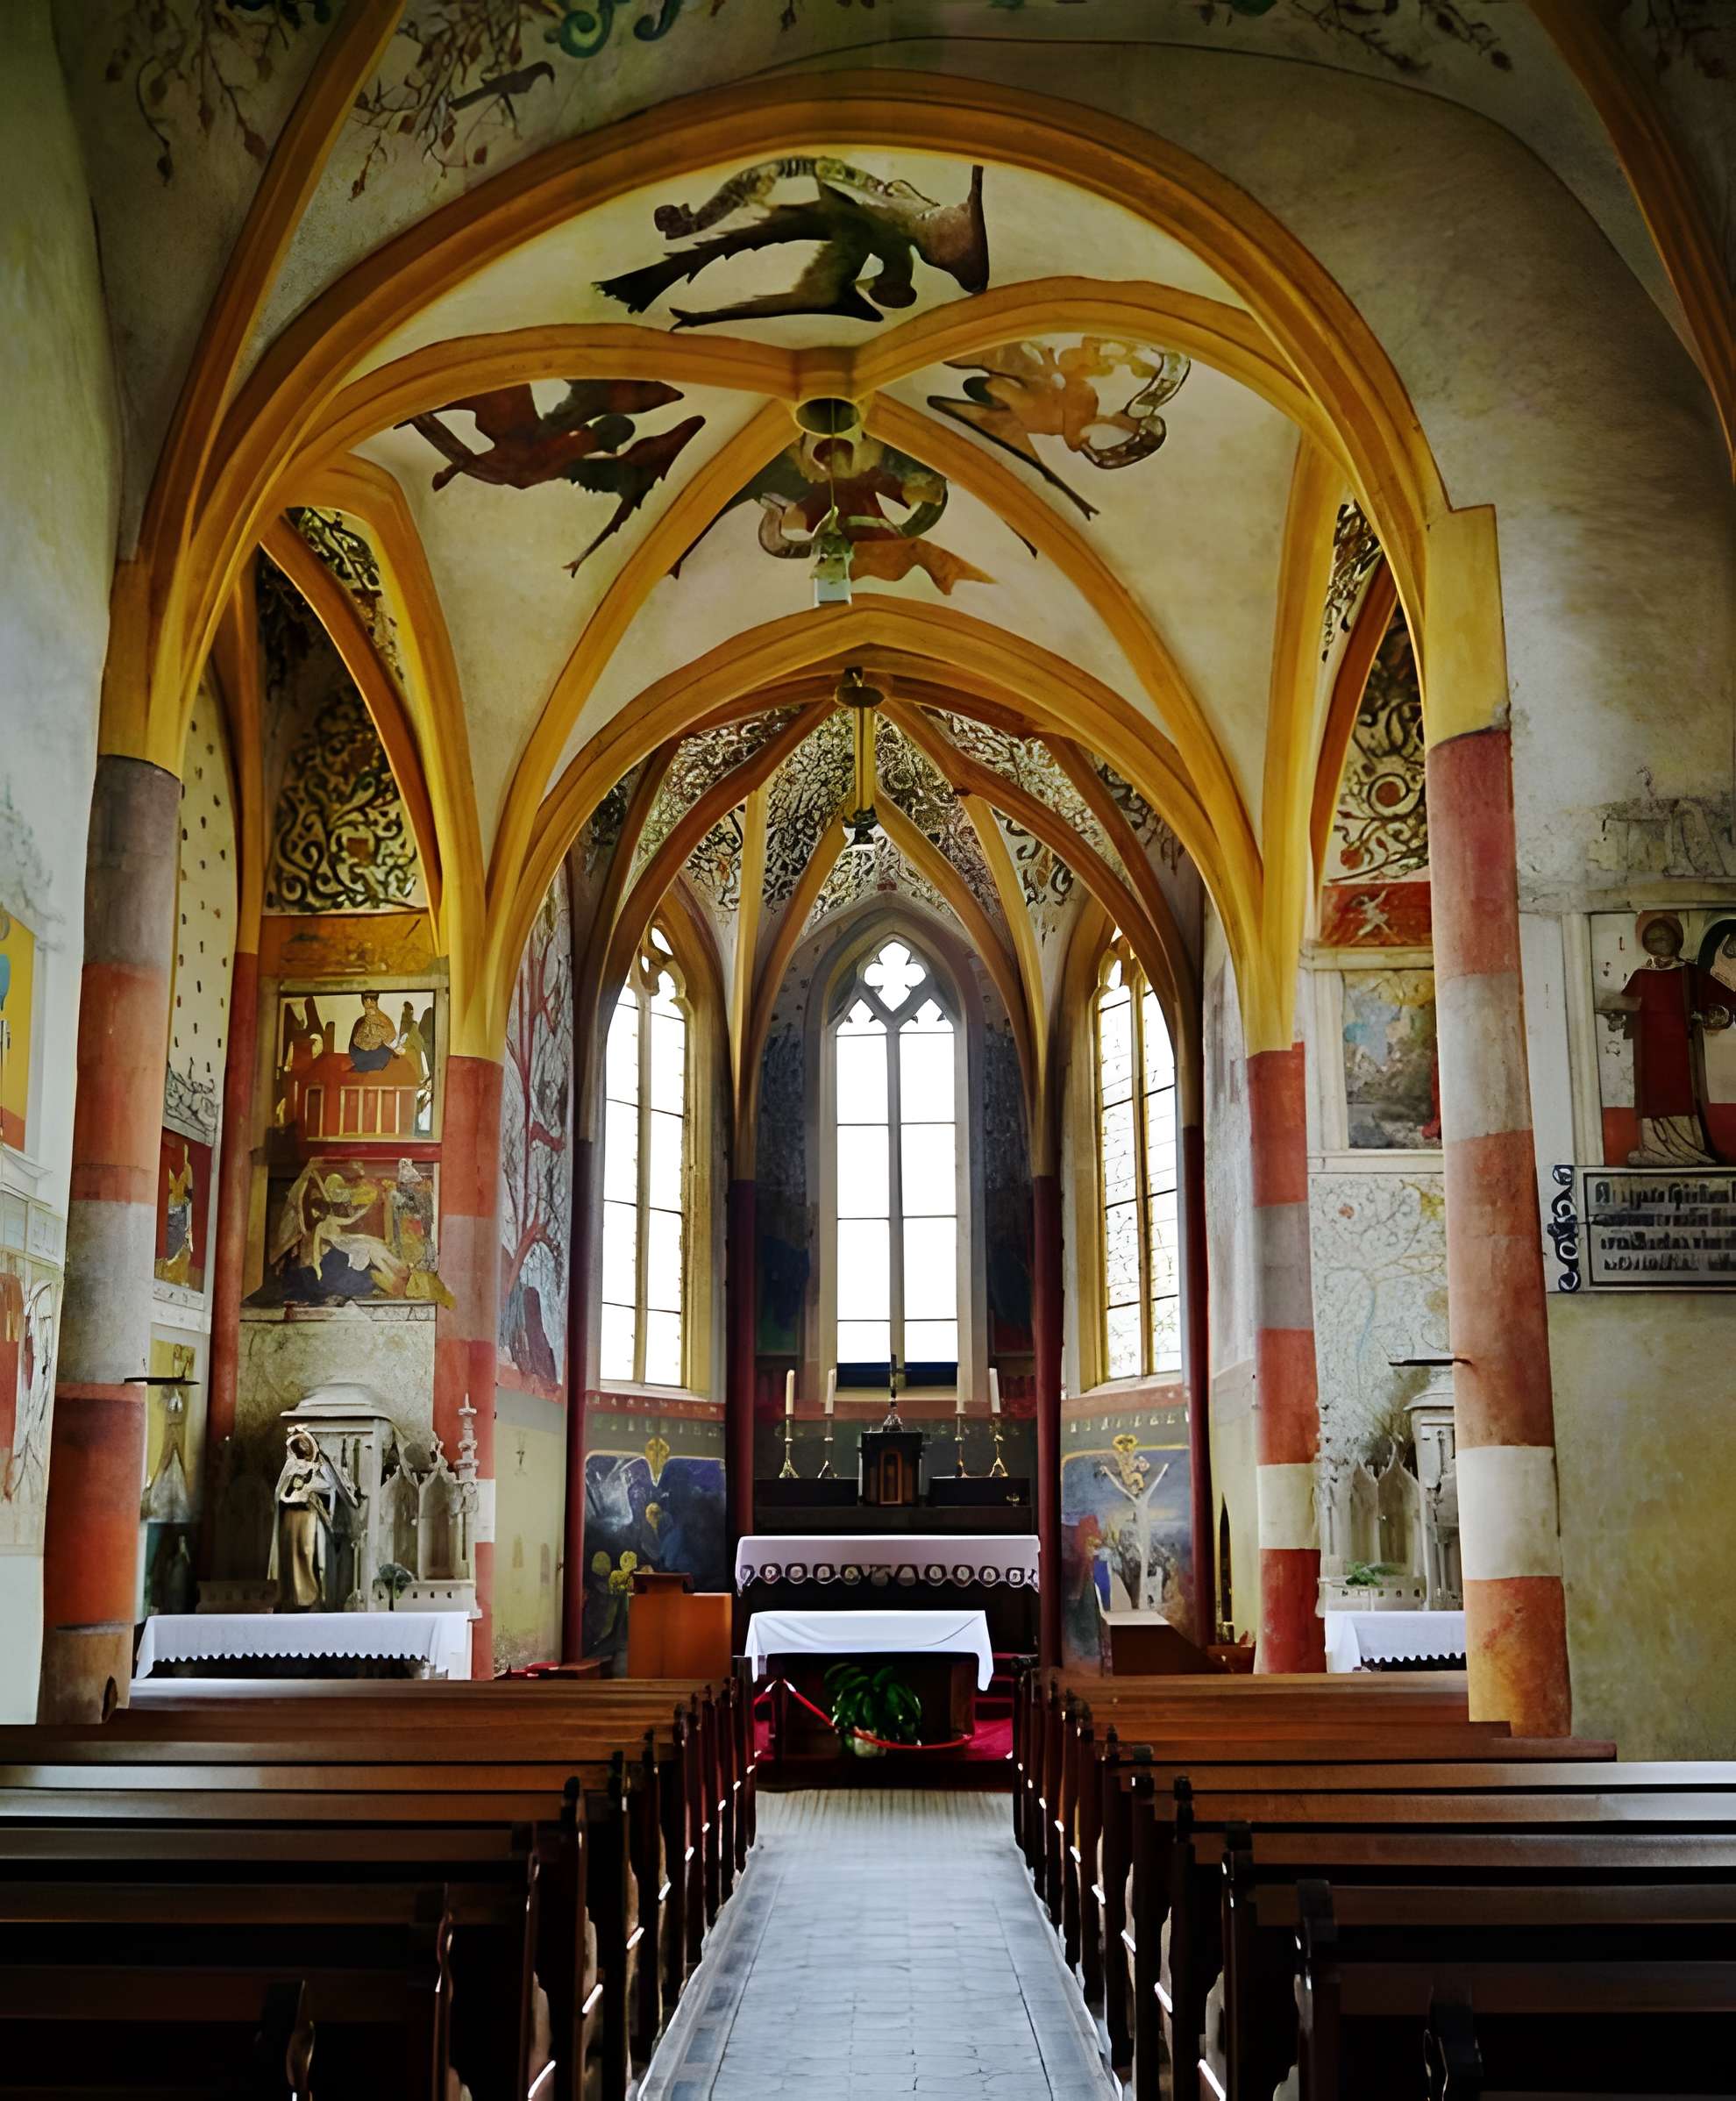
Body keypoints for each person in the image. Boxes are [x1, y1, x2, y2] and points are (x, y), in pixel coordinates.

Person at [1598, 912, 1716, 1166]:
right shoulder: (1641, 975)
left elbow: (1718, 998)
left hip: (1679, 1047)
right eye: (1652, 939)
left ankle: (1688, 1151)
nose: (1658, 942)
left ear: (1676, 940)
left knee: (1680, 1094)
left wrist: (1710, 1013)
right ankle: (1654, 1151)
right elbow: (1628, 1003)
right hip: (1649, 1047)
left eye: (1663, 937)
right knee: (1652, 1098)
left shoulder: (1689, 973)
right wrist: (1616, 1011)